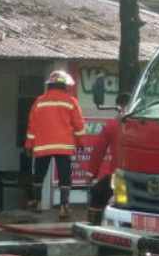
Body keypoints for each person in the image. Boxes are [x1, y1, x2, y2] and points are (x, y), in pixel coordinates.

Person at [24, 70, 87, 221]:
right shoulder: (71, 101)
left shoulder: (39, 101)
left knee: (39, 174)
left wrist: (29, 144)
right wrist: (81, 142)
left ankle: (37, 202)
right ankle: (64, 206)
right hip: (63, 145)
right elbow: (79, 125)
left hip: (43, 145)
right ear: (64, 86)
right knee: (65, 175)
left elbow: (32, 126)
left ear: (50, 85)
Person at [84, 92, 130, 226]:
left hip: (118, 176)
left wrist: (90, 174)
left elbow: (98, 151)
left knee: (97, 193)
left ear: (119, 106)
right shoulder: (146, 125)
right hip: (143, 177)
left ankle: (94, 226)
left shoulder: (113, 125)